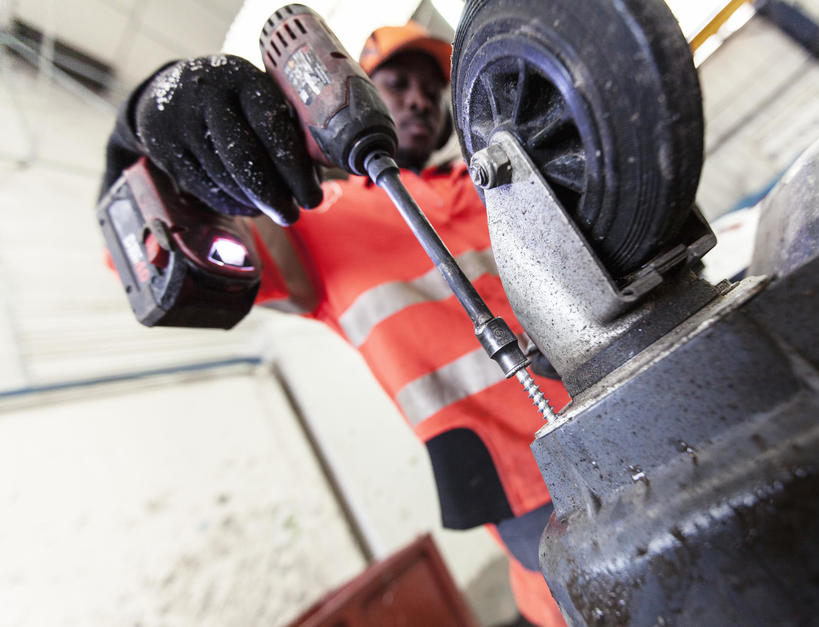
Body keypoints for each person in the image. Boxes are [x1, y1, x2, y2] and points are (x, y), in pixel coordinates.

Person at [101, 21, 569, 627]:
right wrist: (139, 121)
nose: (419, 99)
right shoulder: (308, 218)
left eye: (432, 89)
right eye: (397, 83)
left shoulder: (488, 175)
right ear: (355, 88)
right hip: (523, 486)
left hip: (625, 393)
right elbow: (140, 256)